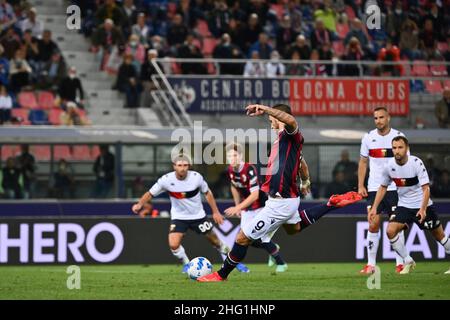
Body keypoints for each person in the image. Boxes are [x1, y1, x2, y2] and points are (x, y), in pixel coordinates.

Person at [198, 104, 362, 282]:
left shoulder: (291, 134)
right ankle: (330, 204)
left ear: (279, 116)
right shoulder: (280, 142)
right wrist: (305, 181)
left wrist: (265, 108)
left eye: (271, 120)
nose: (270, 123)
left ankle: (221, 275)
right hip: (285, 200)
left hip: (281, 202)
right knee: (294, 228)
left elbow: (291, 120)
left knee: (243, 237)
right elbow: (302, 163)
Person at [131, 154, 249, 273]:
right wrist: (139, 204)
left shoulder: (196, 177)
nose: (182, 168)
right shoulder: (166, 180)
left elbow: (207, 193)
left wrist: (215, 212)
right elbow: (150, 193)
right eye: (180, 165)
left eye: (185, 165)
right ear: (174, 166)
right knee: (173, 244)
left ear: (189, 166)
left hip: (198, 216)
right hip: (179, 217)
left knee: (216, 242)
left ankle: (236, 263)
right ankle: (186, 264)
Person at [369, 136, 450, 274]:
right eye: (394, 148)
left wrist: (423, 209)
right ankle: (408, 260)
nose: (397, 151)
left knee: (440, 236)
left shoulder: (416, 163)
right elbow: (382, 187)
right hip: (404, 206)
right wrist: (374, 208)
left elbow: (426, 189)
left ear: (406, 148)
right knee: (390, 231)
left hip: (422, 205)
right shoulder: (389, 166)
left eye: (400, 147)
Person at [225, 143, 287, 273]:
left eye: (235, 155)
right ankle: (273, 247)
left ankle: (281, 264)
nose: (233, 158)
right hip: (247, 209)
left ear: (241, 156)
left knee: (261, 238)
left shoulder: (249, 169)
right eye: (230, 156)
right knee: (245, 239)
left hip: (260, 207)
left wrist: (238, 208)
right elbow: (234, 186)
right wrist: (238, 206)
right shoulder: (230, 170)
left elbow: (255, 195)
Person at [358, 107, 407, 274]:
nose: (378, 120)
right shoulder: (368, 138)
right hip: (374, 188)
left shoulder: (399, 137)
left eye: (381, 117)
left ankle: (400, 263)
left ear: (388, 118)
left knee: (396, 226)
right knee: (373, 224)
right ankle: (371, 265)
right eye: (375, 118)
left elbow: (407, 163)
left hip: (395, 188)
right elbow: (363, 163)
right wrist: (360, 185)